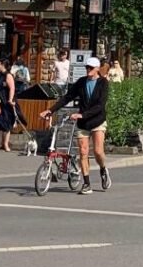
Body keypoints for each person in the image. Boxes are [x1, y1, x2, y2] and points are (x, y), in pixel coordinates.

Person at [41, 56, 110, 195]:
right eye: (87, 67)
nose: (88, 70)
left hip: (97, 120)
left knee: (97, 151)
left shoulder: (103, 83)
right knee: (83, 152)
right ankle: (86, 183)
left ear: (97, 69)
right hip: (83, 123)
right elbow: (67, 97)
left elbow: (100, 106)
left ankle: (103, 169)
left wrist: (82, 114)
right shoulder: (81, 82)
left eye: (91, 68)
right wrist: (50, 110)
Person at [0, 58, 16, 152]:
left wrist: (10, 99)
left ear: (2, 64)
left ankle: (6, 143)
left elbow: (12, 88)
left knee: (6, 121)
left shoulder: (8, 75)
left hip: (6, 100)